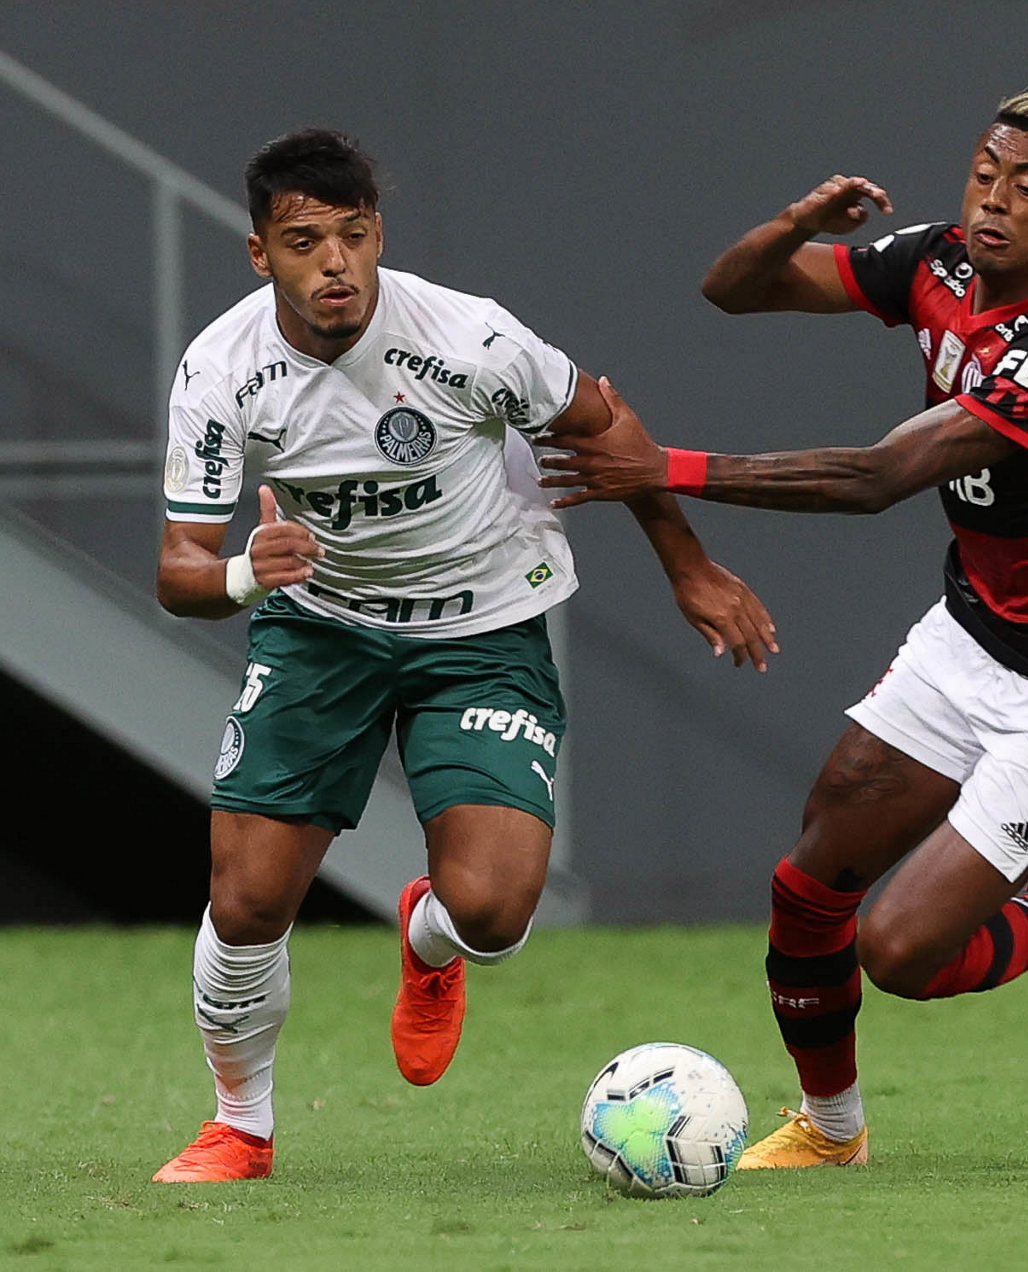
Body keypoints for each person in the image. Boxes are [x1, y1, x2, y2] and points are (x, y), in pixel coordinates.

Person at [537, 88, 1028, 1168]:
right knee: (809, 881)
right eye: (985, 172)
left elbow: (877, 476)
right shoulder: (935, 263)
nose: (993, 199)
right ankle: (832, 1131)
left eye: (1027, 187)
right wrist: (794, 224)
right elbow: (732, 288)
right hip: (970, 632)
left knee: (903, 951)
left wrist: (661, 467)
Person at [150, 128, 778, 1182]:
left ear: (377, 234)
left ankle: (429, 941)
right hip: (321, 629)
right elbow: (179, 570)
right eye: (304, 242)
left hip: (482, 629)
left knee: (490, 911)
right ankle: (240, 1129)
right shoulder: (221, 369)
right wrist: (248, 573)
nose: (336, 263)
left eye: (354, 235)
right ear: (259, 253)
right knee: (247, 901)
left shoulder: (470, 337)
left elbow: (605, 427)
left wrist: (688, 565)